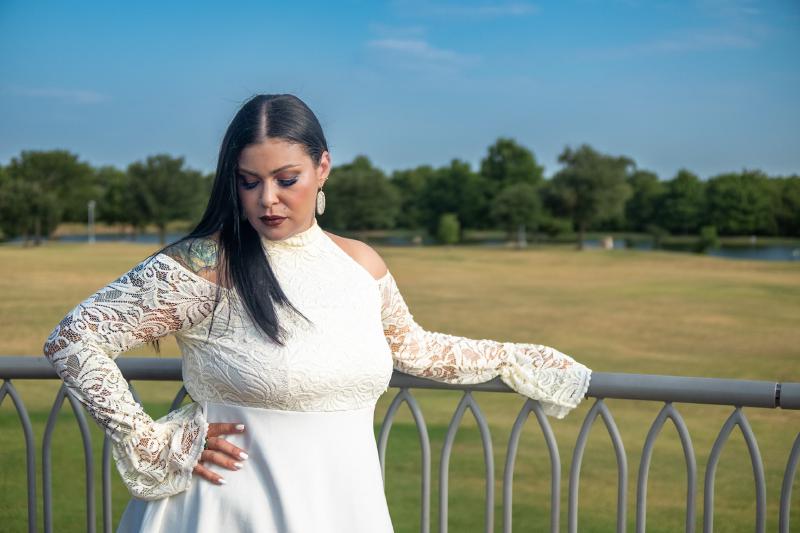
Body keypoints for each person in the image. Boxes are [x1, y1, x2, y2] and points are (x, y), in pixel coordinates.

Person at [42, 93, 592, 532]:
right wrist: (151, 441)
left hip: (345, 503)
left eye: (287, 179)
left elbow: (414, 348)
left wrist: (521, 359)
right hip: (226, 509)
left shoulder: (362, 264)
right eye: (248, 181)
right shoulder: (205, 264)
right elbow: (73, 338)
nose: (266, 201)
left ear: (322, 167)